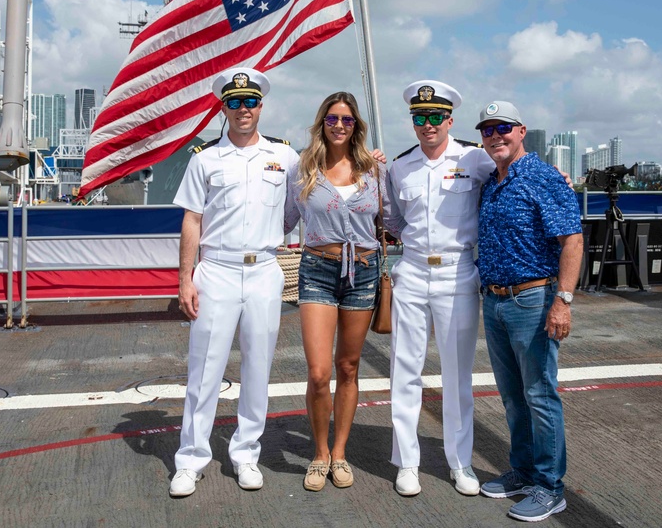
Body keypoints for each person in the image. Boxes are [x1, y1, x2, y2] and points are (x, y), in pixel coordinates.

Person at [169, 67, 299, 497]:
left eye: (250, 102)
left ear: (261, 106)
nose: (243, 109)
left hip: (263, 269)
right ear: (223, 106)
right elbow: (192, 218)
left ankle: (246, 454)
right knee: (204, 370)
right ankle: (191, 459)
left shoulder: (286, 157)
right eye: (234, 102)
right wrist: (185, 278)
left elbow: (303, 202)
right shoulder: (205, 157)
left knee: (258, 368)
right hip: (217, 270)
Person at [474, 100, 582, 522]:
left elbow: (571, 241)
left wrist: (563, 301)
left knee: (540, 394)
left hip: (532, 300)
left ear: (521, 130)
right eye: (487, 130)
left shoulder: (542, 177)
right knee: (513, 396)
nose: (495, 136)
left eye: (503, 127)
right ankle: (522, 472)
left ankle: (551, 487)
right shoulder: (491, 179)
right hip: (495, 299)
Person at [383, 80, 490, 497]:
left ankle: (460, 462)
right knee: (404, 371)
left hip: (458, 272)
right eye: (419, 117)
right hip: (410, 271)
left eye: (434, 117)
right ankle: (407, 462)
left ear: (450, 119)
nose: (427, 124)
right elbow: (392, 220)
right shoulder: (399, 167)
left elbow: (510, 172)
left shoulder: (474, 159)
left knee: (457, 374)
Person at [283, 91, 384, 492]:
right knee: (319, 372)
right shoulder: (304, 168)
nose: (339, 125)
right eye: (332, 119)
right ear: (321, 123)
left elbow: (393, 218)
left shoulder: (374, 171)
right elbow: (284, 218)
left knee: (348, 367)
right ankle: (319, 453)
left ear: (355, 125)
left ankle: (340, 453)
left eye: (346, 119)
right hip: (317, 270)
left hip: (364, 270)